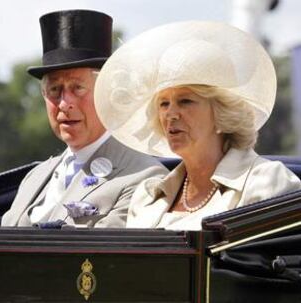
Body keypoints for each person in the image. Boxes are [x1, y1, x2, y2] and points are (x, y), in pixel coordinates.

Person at [0, 9, 168, 228]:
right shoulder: (35, 177)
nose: (64, 103)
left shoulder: (143, 177)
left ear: (107, 93)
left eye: (77, 88)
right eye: (54, 90)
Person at [94, 20, 301, 230]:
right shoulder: (147, 195)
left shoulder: (266, 181)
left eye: (186, 101)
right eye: (164, 103)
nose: (170, 114)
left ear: (222, 113)